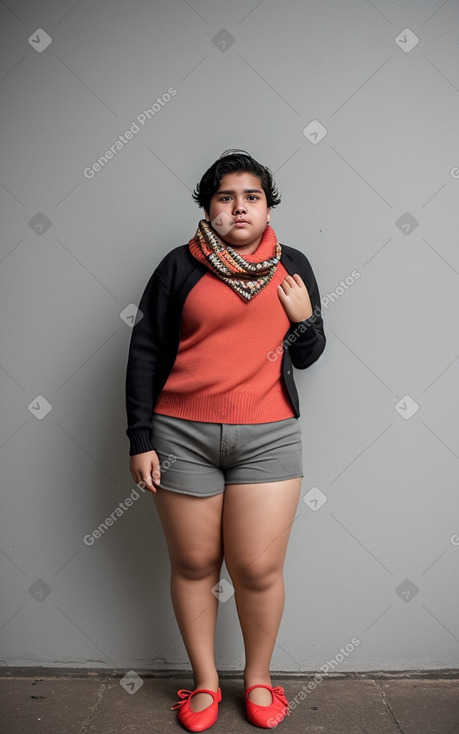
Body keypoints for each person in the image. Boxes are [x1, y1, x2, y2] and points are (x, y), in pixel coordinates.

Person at [125, 150, 326, 730]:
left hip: (268, 436)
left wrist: (304, 317)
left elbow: (310, 356)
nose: (239, 207)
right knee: (194, 564)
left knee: (257, 569)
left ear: (268, 206)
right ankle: (205, 686)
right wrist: (141, 437)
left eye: (252, 197)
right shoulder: (177, 267)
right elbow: (144, 355)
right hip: (179, 434)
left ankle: (258, 682)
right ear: (208, 207)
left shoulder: (294, 265)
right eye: (225, 197)